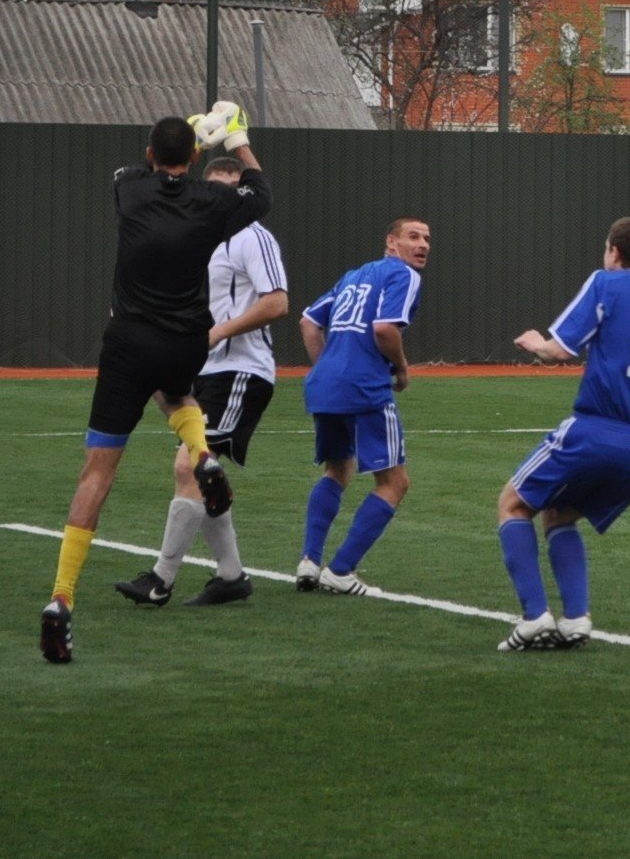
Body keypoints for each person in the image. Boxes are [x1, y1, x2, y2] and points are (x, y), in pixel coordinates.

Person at [40, 106, 268, 663]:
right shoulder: (214, 203)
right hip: (186, 339)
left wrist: (186, 131)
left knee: (97, 473)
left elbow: (139, 169)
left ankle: (61, 600)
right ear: (194, 159)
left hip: (128, 342)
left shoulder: (131, 190)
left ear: (149, 155)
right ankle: (202, 454)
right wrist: (235, 138)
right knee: (180, 395)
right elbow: (260, 194)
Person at [495, 216, 630, 652]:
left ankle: (533, 618)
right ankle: (577, 619)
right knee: (561, 514)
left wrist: (534, 343)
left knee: (512, 504)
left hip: (596, 429)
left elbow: (560, 348)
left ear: (615, 253)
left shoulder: (606, 282)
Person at [114, 157, 289, 608]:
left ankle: (161, 579)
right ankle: (231, 576)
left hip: (240, 370)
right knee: (205, 476)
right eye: (212, 188)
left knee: (188, 466)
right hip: (200, 369)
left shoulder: (252, 236)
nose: (219, 199)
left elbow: (277, 303)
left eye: (230, 190)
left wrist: (217, 333)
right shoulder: (192, 236)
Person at [295, 218, 431, 595]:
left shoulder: (354, 275)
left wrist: (327, 367)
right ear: (391, 242)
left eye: (426, 239)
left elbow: (308, 322)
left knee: (337, 469)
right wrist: (402, 369)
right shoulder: (403, 275)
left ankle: (309, 561)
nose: (423, 245)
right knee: (394, 482)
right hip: (365, 385)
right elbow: (385, 329)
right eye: (413, 237)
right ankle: (340, 571)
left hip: (325, 385)